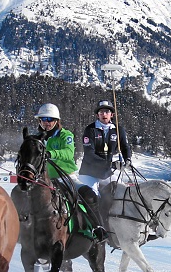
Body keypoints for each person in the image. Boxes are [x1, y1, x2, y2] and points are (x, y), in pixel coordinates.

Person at [34, 103, 106, 242]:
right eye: (43, 119)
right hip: (45, 180)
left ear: (56, 121)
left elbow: (68, 152)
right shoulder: (38, 139)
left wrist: (50, 153)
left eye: (50, 120)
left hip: (66, 177)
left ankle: (97, 228)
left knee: (89, 195)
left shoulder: (65, 135)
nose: (46, 123)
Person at [77, 99, 132, 195]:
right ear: (97, 115)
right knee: (93, 196)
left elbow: (125, 147)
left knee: (123, 193)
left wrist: (128, 159)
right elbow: (89, 155)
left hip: (105, 173)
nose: (104, 114)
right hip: (88, 173)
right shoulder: (90, 130)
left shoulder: (118, 130)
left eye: (107, 111)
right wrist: (111, 164)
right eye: (101, 112)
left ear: (112, 114)